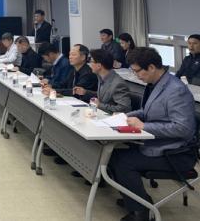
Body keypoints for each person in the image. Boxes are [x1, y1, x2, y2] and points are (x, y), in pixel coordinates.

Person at [109, 47, 197, 221]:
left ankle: (142, 211)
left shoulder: (176, 90)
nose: (136, 76)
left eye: (137, 71)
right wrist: (124, 116)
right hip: (159, 145)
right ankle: (136, 199)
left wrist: (144, 126)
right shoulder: (158, 84)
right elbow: (147, 111)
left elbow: (183, 128)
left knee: (123, 162)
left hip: (176, 153)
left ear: (151, 67)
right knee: (112, 154)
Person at [78, 48, 131, 114]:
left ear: (99, 66)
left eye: (91, 61)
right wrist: (85, 92)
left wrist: (99, 105)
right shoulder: (101, 77)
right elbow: (104, 95)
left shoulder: (118, 84)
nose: (89, 64)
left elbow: (125, 109)